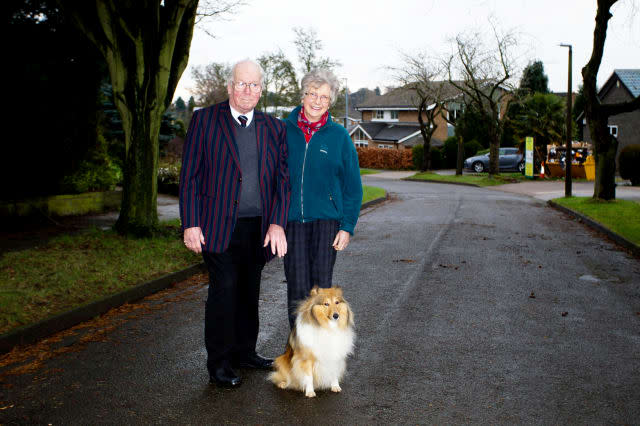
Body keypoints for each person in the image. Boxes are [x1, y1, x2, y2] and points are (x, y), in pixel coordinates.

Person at [179, 59, 290, 388]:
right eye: (241, 83)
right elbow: (190, 177)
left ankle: (245, 352)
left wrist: (277, 224)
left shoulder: (274, 128)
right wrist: (191, 223)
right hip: (216, 226)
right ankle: (220, 364)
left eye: (254, 84)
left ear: (261, 90)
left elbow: (282, 182)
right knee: (224, 291)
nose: (247, 90)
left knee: (248, 292)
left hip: (257, 228)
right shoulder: (204, 121)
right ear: (229, 87)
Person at [283, 69, 363, 329]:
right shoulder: (283, 130)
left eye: (324, 97)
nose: (317, 101)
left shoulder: (339, 136)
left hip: (327, 223)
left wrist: (347, 226)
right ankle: (298, 352)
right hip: (292, 222)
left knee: (320, 293)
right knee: (297, 289)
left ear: (331, 102)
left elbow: (353, 186)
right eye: (313, 94)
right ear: (303, 95)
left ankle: (319, 354)